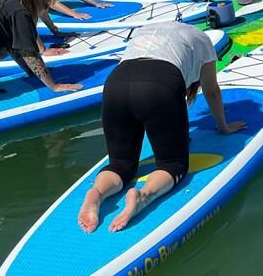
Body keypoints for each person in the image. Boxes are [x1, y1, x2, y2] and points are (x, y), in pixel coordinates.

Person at [77, 22, 245, 233]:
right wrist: (223, 127)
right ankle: (143, 196)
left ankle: (97, 193)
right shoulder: (202, 39)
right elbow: (211, 91)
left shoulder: (144, 31)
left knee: (121, 164)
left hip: (116, 83)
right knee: (172, 165)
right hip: (160, 83)